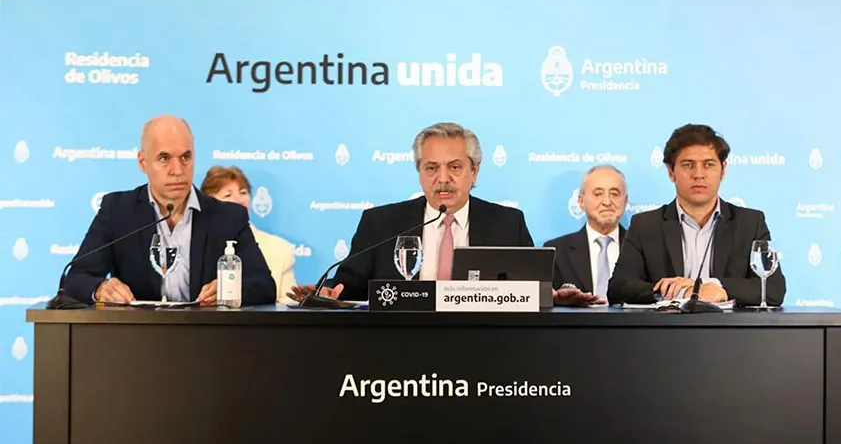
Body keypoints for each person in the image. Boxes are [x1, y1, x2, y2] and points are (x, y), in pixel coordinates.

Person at [288, 122, 534, 302]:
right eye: (431, 168)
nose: (443, 178)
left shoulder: (508, 223)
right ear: (419, 173)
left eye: (455, 167)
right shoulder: (381, 224)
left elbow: (534, 290)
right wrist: (328, 293)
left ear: (475, 172)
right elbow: (349, 286)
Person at [64, 115, 276, 306]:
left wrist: (230, 290)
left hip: (209, 339)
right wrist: (101, 288)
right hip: (137, 338)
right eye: (164, 158)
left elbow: (264, 285)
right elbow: (77, 277)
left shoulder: (228, 216)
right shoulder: (117, 210)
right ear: (143, 162)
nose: (177, 170)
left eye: (185, 157)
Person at [607, 124, 786, 306]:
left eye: (708, 165)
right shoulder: (646, 225)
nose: (698, 175)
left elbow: (773, 289)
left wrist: (715, 287)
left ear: (723, 170)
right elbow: (618, 289)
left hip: (729, 333)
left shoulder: (750, 223)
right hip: (666, 332)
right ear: (671, 172)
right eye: (687, 165)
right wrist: (678, 291)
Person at [201, 165, 305, 304]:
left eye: (243, 192)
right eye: (228, 195)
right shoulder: (199, 242)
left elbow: (288, 304)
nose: (238, 200)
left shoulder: (281, 249)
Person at [544, 165, 628, 306]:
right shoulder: (556, 251)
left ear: (625, 202)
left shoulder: (642, 247)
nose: (607, 202)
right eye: (598, 194)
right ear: (581, 202)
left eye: (614, 194)